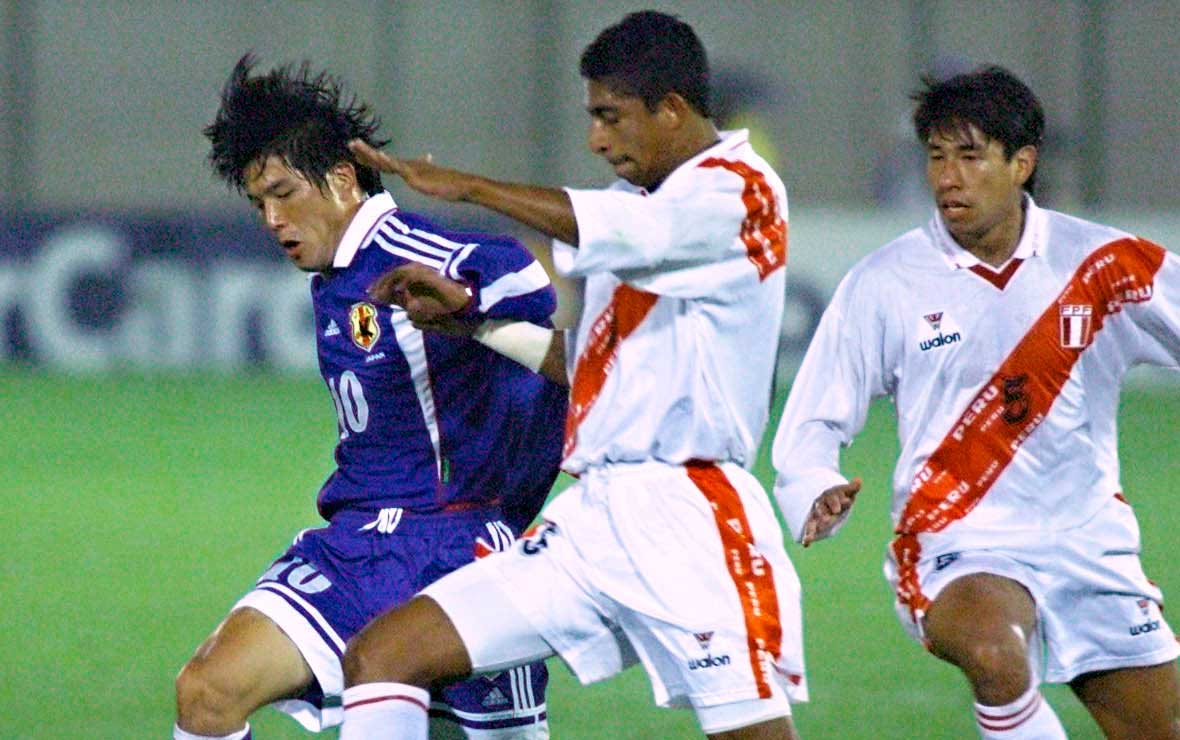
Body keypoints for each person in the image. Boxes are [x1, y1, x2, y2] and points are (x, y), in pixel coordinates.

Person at [335, 11, 806, 740]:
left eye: (611, 117)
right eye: (592, 118)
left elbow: (624, 235)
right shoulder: (633, 207)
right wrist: (474, 321)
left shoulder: (739, 190)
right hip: (594, 517)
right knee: (381, 657)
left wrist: (466, 188)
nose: (596, 139)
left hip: (693, 518)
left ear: (673, 109)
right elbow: (585, 365)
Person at [772, 65, 1180, 739]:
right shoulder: (887, 281)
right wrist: (812, 483)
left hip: (1088, 541)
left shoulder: (1102, 264)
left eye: (970, 156)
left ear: (1022, 163)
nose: (947, 177)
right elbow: (817, 409)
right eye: (936, 156)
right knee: (995, 653)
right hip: (957, 539)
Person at [173, 54, 565, 740]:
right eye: (258, 202)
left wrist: (468, 305)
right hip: (358, 545)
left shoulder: (401, 247)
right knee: (206, 693)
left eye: (283, 193)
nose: (270, 218)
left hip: (450, 545)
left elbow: (523, 281)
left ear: (343, 179)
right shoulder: (336, 275)